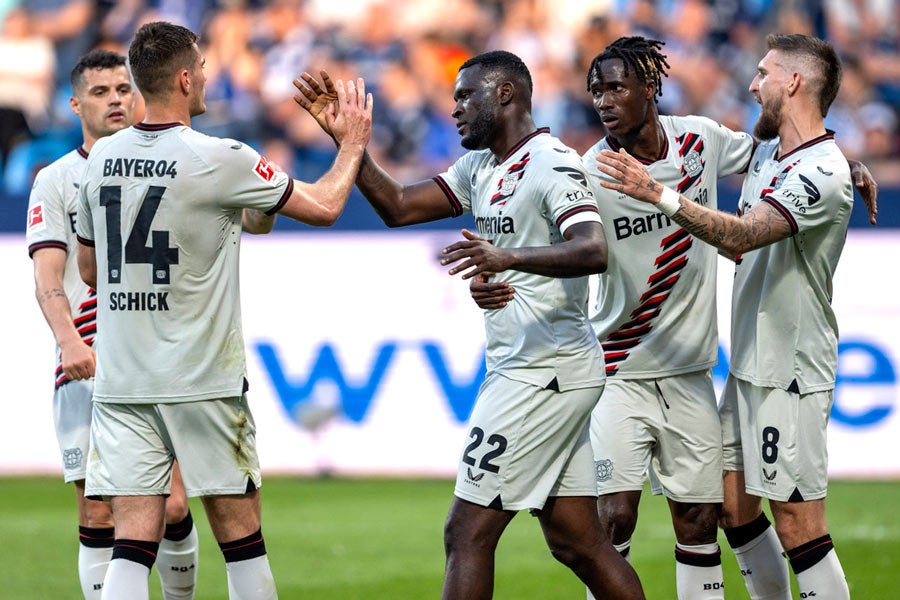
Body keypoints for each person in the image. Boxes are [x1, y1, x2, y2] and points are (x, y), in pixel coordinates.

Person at [294, 50, 644, 600]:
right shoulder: (481, 166)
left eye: (464, 96)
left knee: (466, 533)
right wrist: (352, 145)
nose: (453, 108)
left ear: (505, 94)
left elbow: (593, 249)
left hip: (543, 373)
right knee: (578, 542)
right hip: (531, 366)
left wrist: (507, 258)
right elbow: (400, 206)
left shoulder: (551, 163)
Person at [74, 21, 371, 600]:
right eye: (203, 68)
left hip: (123, 379)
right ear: (185, 79)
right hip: (201, 377)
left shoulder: (102, 159)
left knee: (133, 543)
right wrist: (353, 140)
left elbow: (88, 271)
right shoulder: (220, 156)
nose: (208, 76)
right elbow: (327, 205)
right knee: (241, 539)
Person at [596, 33, 855, 599]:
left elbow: (742, 233)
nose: (752, 84)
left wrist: (658, 195)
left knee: (798, 522)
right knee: (732, 507)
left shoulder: (822, 173)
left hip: (790, 369)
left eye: (764, 73)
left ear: (794, 82)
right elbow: (738, 245)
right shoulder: (769, 154)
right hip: (746, 368)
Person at [26, 48, 201, 600]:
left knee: (172, 503)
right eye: (100, 93)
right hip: (88, 356)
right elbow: (48, 276)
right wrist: (68, 341)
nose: (116, 100)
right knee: (98, 511)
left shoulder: (167, 161)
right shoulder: (56, 179)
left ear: (139, 92)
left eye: (123, 89)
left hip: (157, 355)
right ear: (76, 103)